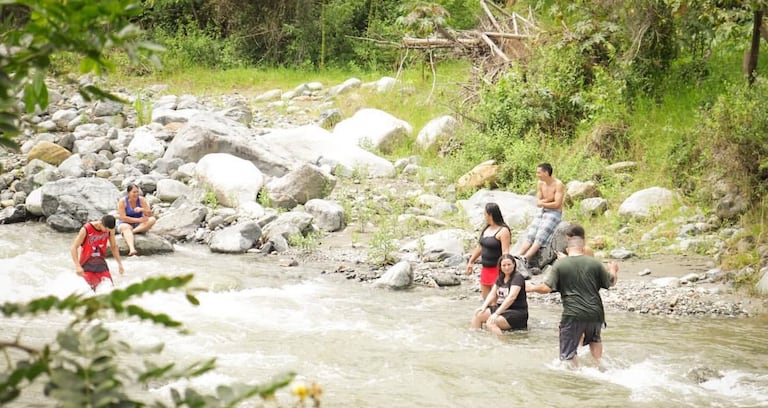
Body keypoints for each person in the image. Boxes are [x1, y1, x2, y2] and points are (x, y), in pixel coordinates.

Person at [526, 224, 619, 367]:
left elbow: (546, 288)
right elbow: (611, 282)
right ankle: (600, 367)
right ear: (582, 247)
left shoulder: (561, 264)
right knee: (595, 340)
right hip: (596, 314)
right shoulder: (595, 263)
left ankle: (575, 375)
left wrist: (532, 288)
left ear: (568, 248)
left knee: (567, 358)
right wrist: (613, 269)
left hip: (573, 315)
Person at [519, 162, 564, 264]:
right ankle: (518, 255)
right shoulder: (540, 183)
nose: (537, 175)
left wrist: (543, 203)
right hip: (543, 210)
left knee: (541, 234)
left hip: (555, 212)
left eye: (539, 173)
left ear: (546, 173)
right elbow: (538, 200)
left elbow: (557, 204)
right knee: (532, 233)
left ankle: (526, 257)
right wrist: (547, 201)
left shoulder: (558, 184)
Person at [470, 254, 528, 333]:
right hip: (502, 309)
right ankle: (475, 337)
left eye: (509, 264)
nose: (506, 267)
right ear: (500, 266)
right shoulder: (500, 277)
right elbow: (492, 294)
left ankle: (500, 340)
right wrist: (483, 306)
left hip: (516, 311)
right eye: (504, 265)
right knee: (478, 314)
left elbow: (511, 297)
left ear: (514, 264)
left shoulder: (517, 277)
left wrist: (497, 313)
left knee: (491, 322)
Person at [465, 203, 511, 300]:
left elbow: (505, 251)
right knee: (486, 299)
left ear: (490, 215)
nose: (484, 216)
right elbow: (480, 247)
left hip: (497, 269)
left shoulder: (503, 231)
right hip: (485, 269)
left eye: (485, 214)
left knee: (495, 299)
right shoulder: (486, 229)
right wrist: (471, 261)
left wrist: (506, 270)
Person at [70, 214, 125, 291]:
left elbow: (114, 246)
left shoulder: (110, 230)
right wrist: (77, 266)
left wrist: (120, 264)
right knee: (91, 291)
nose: (107, 232)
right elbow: (74, 247)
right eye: (106, 230)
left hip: (101, 264)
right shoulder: (86, 229)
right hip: (86, 264)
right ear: (101, 224)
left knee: (110, 288)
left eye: (109, 230)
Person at [117, 183, 156, 256]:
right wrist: (138, 220)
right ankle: (132, 249)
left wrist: (142, 209)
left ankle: (132, 232)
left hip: (139, 225)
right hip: (126, 223)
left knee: (152, 219)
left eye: (137, 192)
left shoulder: (141, 200)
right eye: (134, 192)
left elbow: (149, 214)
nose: (136, 194)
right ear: (128, 193)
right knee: (125, 227)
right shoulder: (122, 201)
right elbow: (123, 218)